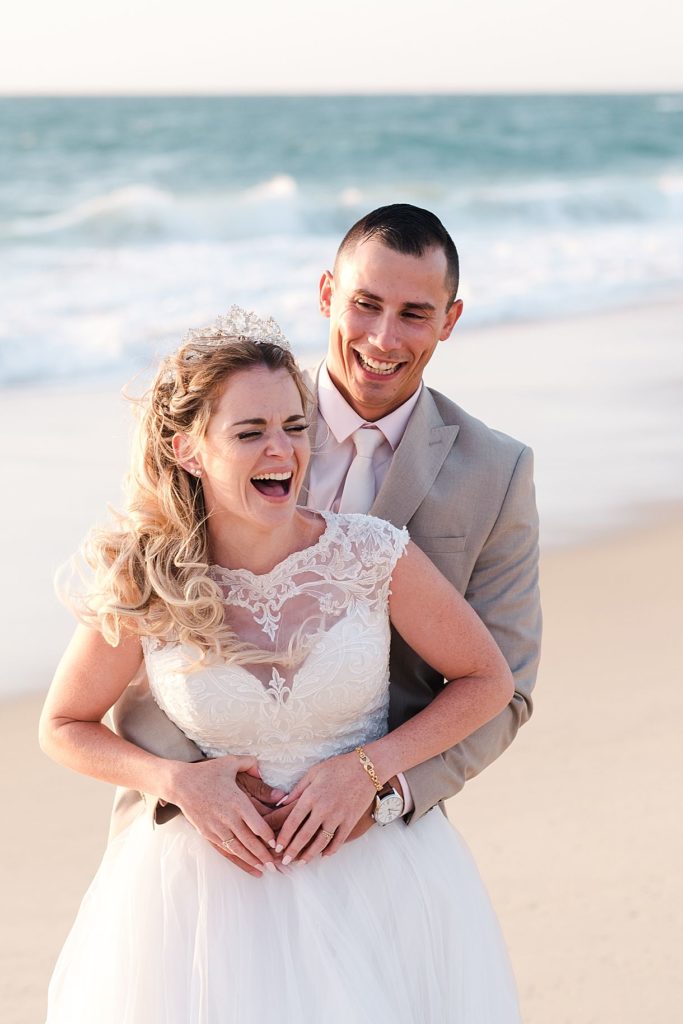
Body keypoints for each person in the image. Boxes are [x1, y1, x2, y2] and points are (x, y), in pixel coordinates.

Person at [41, 309, 521, 1021]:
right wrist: (177, 782)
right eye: (249, 432)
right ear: (187, 449)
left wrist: (368, 770)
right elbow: (63, 723)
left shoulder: (370, 554)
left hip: (378, 881)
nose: (282, 451)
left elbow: (488, 681)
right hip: (201, 907)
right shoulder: (148, 578)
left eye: (294, 427)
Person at [108, 204, 541, 862]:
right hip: (195, 832)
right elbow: (139, 626)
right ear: (326, 295)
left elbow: (503, 684)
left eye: (414, 314)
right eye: (364, 304)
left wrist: (383, 791)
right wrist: (193, 787)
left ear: (449, 320)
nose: (383, 339)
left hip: (374, 837)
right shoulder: (229, 421)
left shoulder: (497, 473)